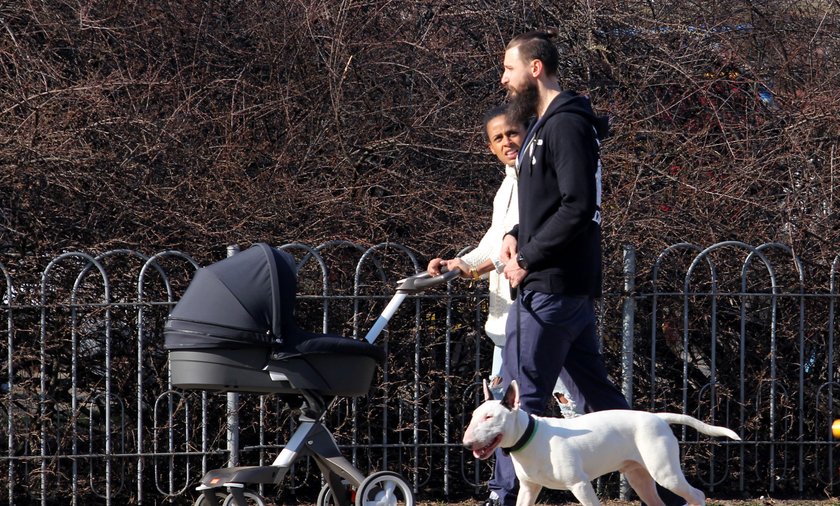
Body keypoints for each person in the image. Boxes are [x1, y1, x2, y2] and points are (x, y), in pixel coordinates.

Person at [490, 29, 633, 506]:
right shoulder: (540, 128)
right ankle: (667, 497)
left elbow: (578, 206)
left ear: (535, 68)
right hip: (561, 289)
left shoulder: (567, 125)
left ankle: (503, 497)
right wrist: (514, 233)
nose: (504, 78)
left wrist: (528, 258)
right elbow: (544, 204)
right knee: (603, 404)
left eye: (509, 68)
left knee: (519, 399)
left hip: (549, 288)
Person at [426, 105, 582, 418]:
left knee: (572, 408)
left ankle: (595, 463)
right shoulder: (508, 184)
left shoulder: (540, 181)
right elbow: (496, 239)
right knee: (501, 408)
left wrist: (476, 268)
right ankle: (518, 468)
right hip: (506, 322)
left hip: (536, 312)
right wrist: (460, 263)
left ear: (529, 135)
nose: (506, 142)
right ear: (490, 146)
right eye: (498, 138)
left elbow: (527, 242)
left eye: (512, 133)